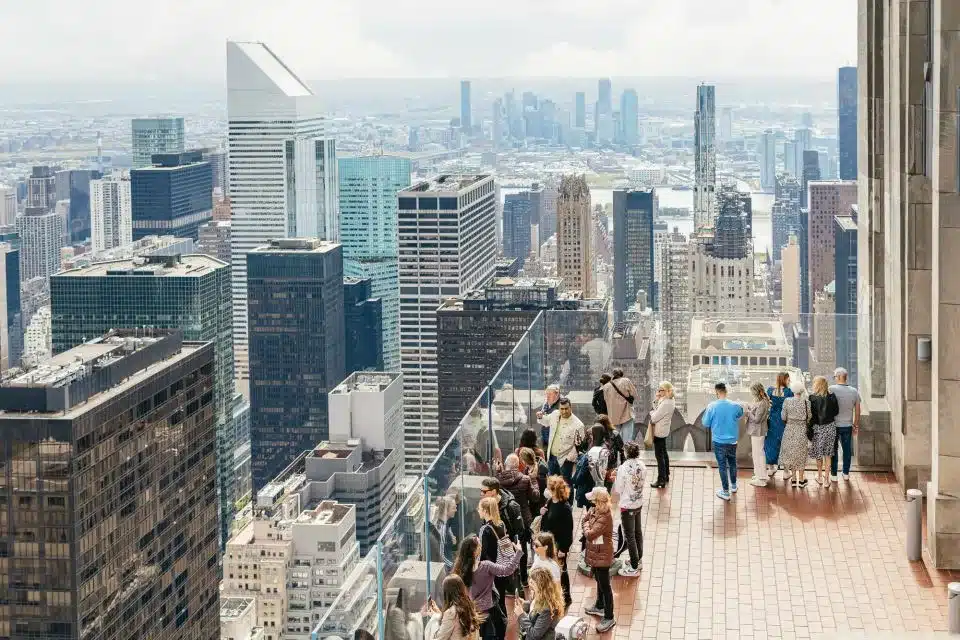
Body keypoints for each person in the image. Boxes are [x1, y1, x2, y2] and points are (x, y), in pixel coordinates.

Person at [452, 533, 522, 640]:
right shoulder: (486, 566)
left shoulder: (460, 570)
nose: (481, 546)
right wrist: (518, 553)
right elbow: (507, 570)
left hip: (472, 613)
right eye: (479, 545)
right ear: (475, 551)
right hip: (490, 612)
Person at [479, 481, 523, 603]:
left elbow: (483, 553)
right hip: (502, 564)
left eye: (480, 509)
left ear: (485, 511)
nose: (478, 511)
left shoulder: (485, 529)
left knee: (493, 599)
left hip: (491, 569)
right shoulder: (501, 524)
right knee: (501, 598)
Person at [495, 456, 535, 587]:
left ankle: (511, 579)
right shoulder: (525, 479)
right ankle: (524, 578)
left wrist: (498, 472)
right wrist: (533, 480)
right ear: (518, 466)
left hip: (506, 520)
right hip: (522, 518)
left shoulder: (498, 480)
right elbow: (535, 497)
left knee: (507, 548)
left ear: (505, 465)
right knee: (522, 548)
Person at [582, 486, 616, 633]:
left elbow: (590, 534)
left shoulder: (604, 517)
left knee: (605, 586)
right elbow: (586, 521)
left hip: (602, 555)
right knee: (599, 580)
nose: (592, 502)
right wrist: (587, 522)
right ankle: (599, 605)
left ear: (598, 501)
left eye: (593, 500)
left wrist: (586, 525)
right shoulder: (596, 511)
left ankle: (609, 617)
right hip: (597, 553)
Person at [702, 382, 744, 501]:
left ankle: (725, 492)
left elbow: (705, 423)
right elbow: (740, 414)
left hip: (719, 441)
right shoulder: (735, 405)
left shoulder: (712, 406)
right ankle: (734, 486)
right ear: (726, 391)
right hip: (732, 441)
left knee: (722, 466)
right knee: (732, 463)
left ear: (717, 392)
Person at [539, 475, 573, 608]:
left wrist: (564, 549)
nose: (546, 490)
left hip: (558, 545)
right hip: (548, 543)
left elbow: (568, 530)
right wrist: (542, 512)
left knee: (562, 571)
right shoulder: (550, 501)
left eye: (548, 488)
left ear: (554, 490)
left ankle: (566, 597)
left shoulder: (565, 508)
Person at [612, 441, 646, 576]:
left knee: (629, 536)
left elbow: (618, 489)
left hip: (627, 505)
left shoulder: (623, 468)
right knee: (638, 532)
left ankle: (633, 566)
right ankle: (638, 559)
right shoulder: (642, 465)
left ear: (626, 453)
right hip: (638, 502)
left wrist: (616, 478)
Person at [544, 397, 586, 494]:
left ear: (571, 407)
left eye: (566, 408)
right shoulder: (555, 414)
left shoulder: (578, 425)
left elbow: (579, 446)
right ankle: (554, 502)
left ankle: (568, 503)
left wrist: (568, 458)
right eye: (562, 409)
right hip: (552, 457)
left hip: (565, 460)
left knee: (566, 485)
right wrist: (540, 417)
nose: (564, 411)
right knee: (552, 484)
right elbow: (545, 421)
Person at [829, 367, 861, 481]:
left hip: (833, 425)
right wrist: (855, 425)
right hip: (847, 425)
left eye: (834, 376)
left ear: (838, 377)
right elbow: (858, 411)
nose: (834, 378)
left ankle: (834, 474)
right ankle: (846, 473)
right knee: (847, 450)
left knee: (833, 450)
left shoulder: (831, 389)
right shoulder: (854, 391)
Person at [514, 567, 564, 640]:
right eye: (530, 580)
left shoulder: (547, 609)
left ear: (541, 586)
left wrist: (521, 615)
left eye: (532, 583)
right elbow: (536, 607)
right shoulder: (540, 596)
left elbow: (535, 635)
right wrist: (525, 604)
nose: (529, 585)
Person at [429, 574, 483, 640]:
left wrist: (434, 619)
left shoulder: (451, 613)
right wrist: (438, 614)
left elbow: (440, 637)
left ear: (447, 593)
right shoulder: (469, 606)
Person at [779, 381, 812, 487]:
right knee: (801, 454)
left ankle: (793, 479)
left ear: (793, 390)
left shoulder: (787, 401)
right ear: (801, 391)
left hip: (789, 430)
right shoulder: (807, 402)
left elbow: (783, 417)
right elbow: (809, 417)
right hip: (802, 430)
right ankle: (801, 480)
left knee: (792, 453)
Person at [809, 376, 840, 487]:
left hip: (818, 428)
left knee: (819, 454)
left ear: (816, 385)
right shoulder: (832, 397)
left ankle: (819, 477)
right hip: (830, 427)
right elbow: (836, 412)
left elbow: (811, 415)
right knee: (828, 454)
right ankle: (827, 480)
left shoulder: (812, 398)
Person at [765, 372, 793, 479]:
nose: (789, 381)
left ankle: (771, 468)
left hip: (772, 421)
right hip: (784, 421)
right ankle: (786, 471)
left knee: (771, 444)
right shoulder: (788, 392)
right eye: (788, 379)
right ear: (784, 380)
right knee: (785, 445)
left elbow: (767, 404)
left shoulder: (770, 390)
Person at [743, 383, 772, 487]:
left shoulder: (762, 403)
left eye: (752, 392)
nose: (751, 394)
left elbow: (757, 420)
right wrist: (750, 408)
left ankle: (761, 478)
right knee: (758, 453)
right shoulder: (763, 401)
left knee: (758, 454)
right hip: (758, 431)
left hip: (758, 431)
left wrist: (748, 412)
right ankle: (760, 475)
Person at [574, 424, 609, 508]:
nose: (590, 436)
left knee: (591, 507)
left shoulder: (594, 449)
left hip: (591, 482)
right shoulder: (605, 446)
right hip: (601, 482)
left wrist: (577, 481)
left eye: (591, 434)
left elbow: (585, 468)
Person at [647, 381, 675, 488]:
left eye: (660, 390)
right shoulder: (670, 400)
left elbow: (654, 418)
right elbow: (658, 410)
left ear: (667, 390)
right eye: (658, 390)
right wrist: (657, 400)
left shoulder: (666, 403)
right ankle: (666, 475)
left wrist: (651, 413)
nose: (658, 392)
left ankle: (661, 480)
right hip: (664, 430)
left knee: (659, 456)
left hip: (659, 431)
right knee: (664, 452)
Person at [602, 369, 638, 443]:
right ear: (621, 374)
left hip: (613, 415)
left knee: (615, 439)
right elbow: (634, 394)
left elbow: (606, 400)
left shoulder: (606, 386)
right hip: (626, 413)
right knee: (627, 439)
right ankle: (625, 449)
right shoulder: (626, 381)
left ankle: (617, 450)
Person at [595, 414, 624, 490]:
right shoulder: (594, 433)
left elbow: (622, 450)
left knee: (607, 487)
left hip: (610, 465)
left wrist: (622, 465)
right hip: (597, 464)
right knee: (597, 487)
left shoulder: (615, 434)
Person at [536, 384, 562, 448]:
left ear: (557, 394)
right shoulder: (546, 403)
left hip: (555, 438)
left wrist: (541, 417)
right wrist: (540, 416)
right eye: (546, 394)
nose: (547, 396)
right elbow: (542, 419)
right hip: (545, 436)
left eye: (550, 394)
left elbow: (550, 421)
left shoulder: (561, 404)